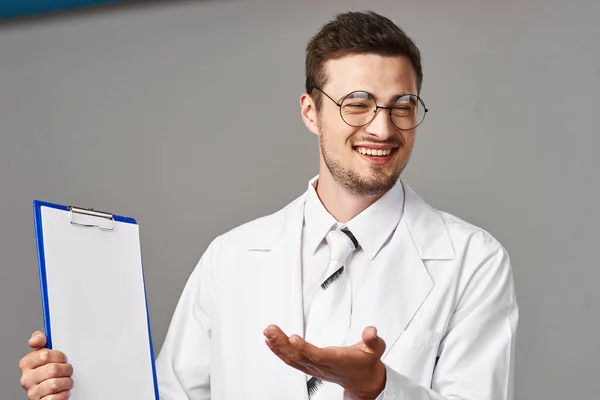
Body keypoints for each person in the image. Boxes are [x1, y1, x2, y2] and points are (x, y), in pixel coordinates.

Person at [18, 10, 518, 400]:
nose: (382, 129)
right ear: (311, 111)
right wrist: (72, 389)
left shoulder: (473, 260)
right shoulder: (231, 257)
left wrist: (380, 389)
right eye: (358, 105)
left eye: (401, 107)